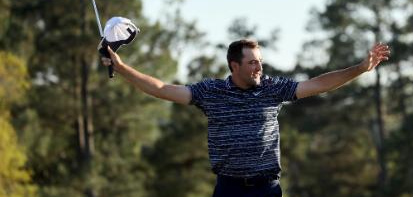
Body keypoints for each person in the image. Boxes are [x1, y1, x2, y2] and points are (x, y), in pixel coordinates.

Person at [101, 39, 390, 197]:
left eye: (260, 61)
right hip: (229, 191)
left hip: (267, 190)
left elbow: (318, 84)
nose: (258, 67)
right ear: (234, 65)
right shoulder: (210, 92)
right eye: (252, 62)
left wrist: (360, 69)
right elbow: (163, 89)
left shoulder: (272, 89)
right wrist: (123, 68)